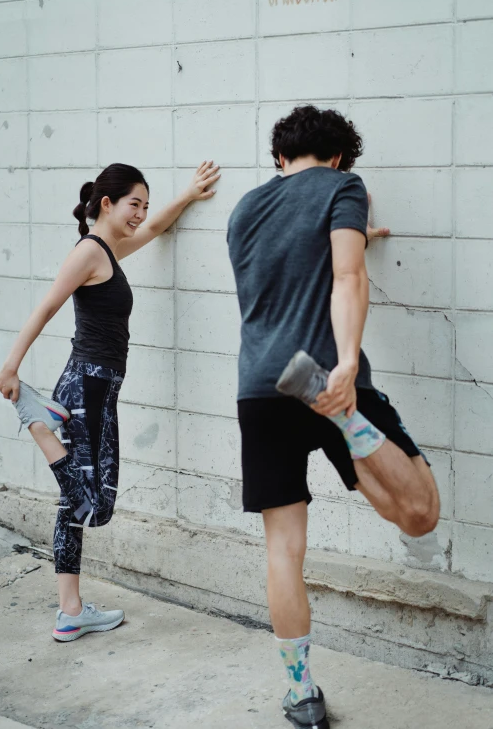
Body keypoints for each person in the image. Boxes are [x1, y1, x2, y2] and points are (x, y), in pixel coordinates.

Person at [227, 106, 439, 729]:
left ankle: (301, 695)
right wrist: (346, 365)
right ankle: (349, 422)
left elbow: (289, 266)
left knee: (283, 552)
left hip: (259, 390)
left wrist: (356, 234)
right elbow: (346, 275)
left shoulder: (245, 210)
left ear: (279, 158)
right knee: (420, 512)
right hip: (325, 376)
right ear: (340, 157)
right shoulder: (344, 187)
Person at [0, 160, 220, 642]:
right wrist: (12, 365)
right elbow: (47, 305)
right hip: (88, 386)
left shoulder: (109, 251)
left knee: (71, 507)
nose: (141, 213)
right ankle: (37, 422)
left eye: (144, 204)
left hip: (95, 387)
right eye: (133, 204)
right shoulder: (89, 252)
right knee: (95, 506)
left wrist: (188, 194)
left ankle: (70, 611)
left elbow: (158, 227)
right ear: (107, 204)